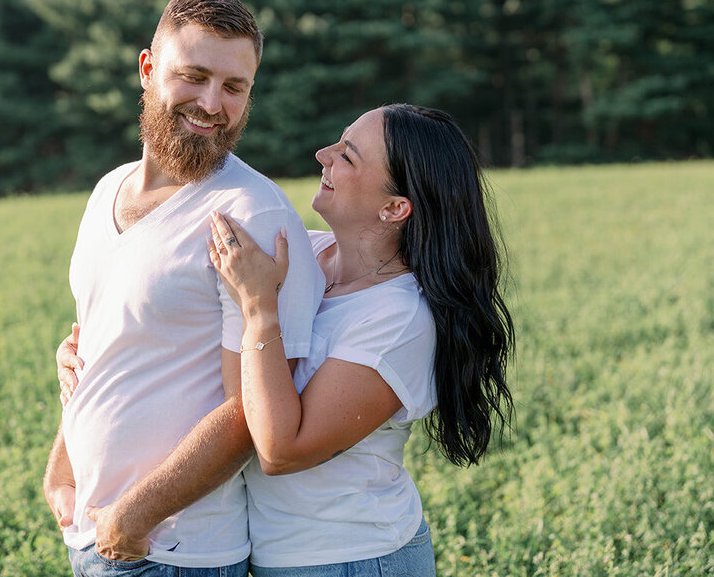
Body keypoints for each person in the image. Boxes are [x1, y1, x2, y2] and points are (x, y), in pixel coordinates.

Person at [42, 0, 324, 577]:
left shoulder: (252, 215)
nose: (211, 103)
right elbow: (99, 345)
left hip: (175, 552)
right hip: (93, 534)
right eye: (193, 77)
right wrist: (62, 467)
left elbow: (251, 407)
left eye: (234, 87)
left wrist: (134, 516)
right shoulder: (106, 191)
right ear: (148, 69)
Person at [204, 103, 515, 575]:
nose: (322, 154)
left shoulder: (400, 318)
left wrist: (259, 309)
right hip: (279, 554)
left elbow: (281, 450)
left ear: (394, 208)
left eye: (347, 156)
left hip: (352, 558)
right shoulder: (305, 250)